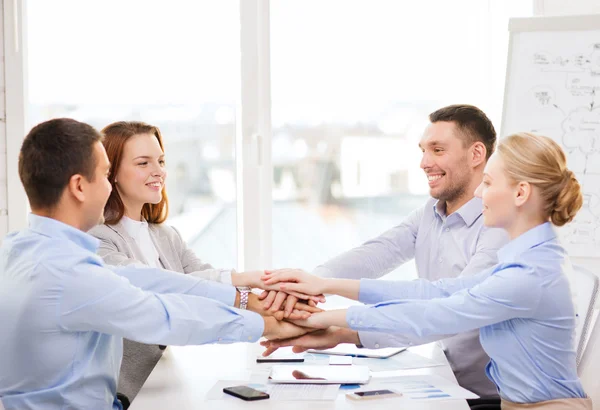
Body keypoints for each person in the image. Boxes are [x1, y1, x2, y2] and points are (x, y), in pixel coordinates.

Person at [262, 133, 592, 409]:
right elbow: (437, 292)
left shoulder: (528, 275)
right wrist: (328, 287)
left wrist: (319, 319)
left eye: (488, 183)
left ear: (521, 193)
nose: (479, 192)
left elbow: (434, 315)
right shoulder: (527, 259)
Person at [0, 118, 312, 410]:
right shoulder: (70, 273)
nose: (109, 187)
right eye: (105, 175)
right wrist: (270, 324)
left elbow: (148, 280)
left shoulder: (17, 250)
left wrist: (247, 298)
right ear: (80, 186)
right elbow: (164, 315)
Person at [261, 104, 509, 402]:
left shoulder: (498, 227)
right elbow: (379, 252)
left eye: (438, 150)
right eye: (423, 150)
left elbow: (446, 308)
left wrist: (338, 325)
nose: (424, 163)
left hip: (489, 398)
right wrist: (305, 284)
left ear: (476, 155)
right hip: (445, 380)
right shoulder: (430, 214)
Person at [88, 121, 321, 404]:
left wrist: (267, 294)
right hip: (123, 395)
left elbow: (202, 279)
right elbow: (167, 289)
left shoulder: (165, 236)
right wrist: (253, 295)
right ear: (111, 173)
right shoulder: (98, 241)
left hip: (165, 381)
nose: (158, 171)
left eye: (160, 161)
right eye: (143, 163)